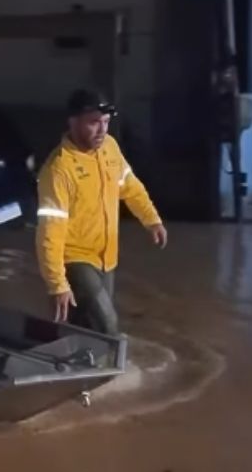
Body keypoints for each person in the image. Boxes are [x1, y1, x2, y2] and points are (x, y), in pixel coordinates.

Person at [36, 89, 167, 334]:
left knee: (86, 327)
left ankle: (69, 353)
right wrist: (57, 284)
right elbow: (49, 232)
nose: (102, 130)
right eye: (94, 123)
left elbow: (130, 186)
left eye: (106, 122)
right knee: (108, 325)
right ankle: (111, 360)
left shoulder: (110, 148)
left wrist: (151, 219)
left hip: (107, 258)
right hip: (75, 259)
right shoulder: (58, 170)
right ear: (73, 122)